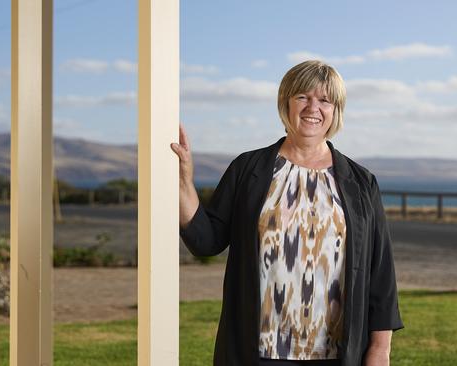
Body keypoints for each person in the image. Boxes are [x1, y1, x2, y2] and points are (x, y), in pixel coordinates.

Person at [171, 60, 403, 366]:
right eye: (302, 97)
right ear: (286, 103)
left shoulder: (361, 183)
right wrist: (183, 182)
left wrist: (380, 350)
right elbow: (206, 240)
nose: (313, 107)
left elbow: (380, 273)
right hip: (258, 354)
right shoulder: (248, 169)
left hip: (336, 355)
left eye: (324, 100)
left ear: (336, 111)